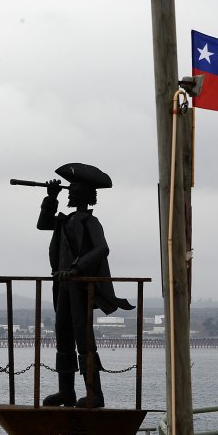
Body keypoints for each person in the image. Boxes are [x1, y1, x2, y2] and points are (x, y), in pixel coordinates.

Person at [36, 163, 133, 408]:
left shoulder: (91, 221)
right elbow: (43, 224)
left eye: (74, 188)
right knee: (63, 335)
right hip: (63, 287)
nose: (70, 191)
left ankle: (94, 393)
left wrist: (78, 268)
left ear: (86, 194)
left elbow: (102, 248)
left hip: (80, 288)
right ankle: (65, 391)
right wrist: (50, 198)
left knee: (83, 338)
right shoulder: (64, 220)